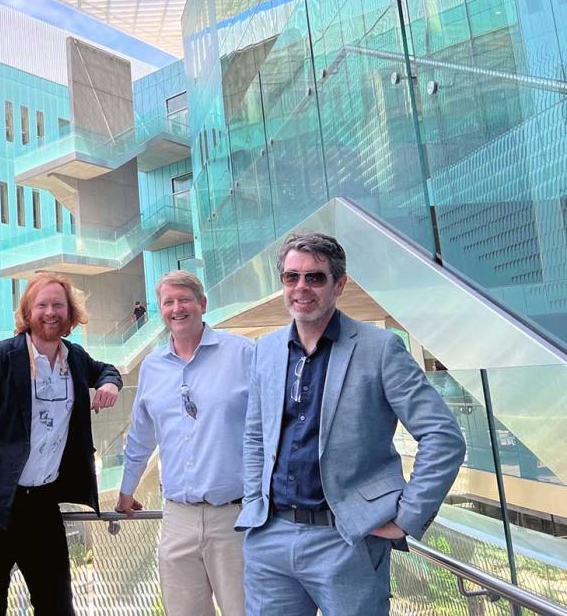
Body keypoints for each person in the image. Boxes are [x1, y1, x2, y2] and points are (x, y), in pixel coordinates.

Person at [236, 232, 466, 615]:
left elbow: (443, 437)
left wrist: (407, 517)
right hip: (269, 540)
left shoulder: (380, 348)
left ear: (338, 284)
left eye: (315, 277)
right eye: (291, 277)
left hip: (347, 541)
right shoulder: (266, 350)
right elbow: (256, 437)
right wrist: (252, 502)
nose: (301, 287)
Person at [0, 272, 123, 615]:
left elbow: (107, 369)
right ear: (28, 313)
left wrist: (110, 384)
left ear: (70, 313)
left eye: (58, 305)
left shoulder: (74, 358)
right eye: (41, 305)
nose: (50, 312)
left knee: (57, 606)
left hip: (43, 506)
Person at [116, 271, 253, 616]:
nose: (177, 308)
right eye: (168, 302)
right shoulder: (152, 367)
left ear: (202, 304)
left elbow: (271, 428)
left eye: (184, 300)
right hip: (177, 518)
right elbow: (141, 433)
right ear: (161, 310)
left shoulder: (242, 353)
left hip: (235, 518)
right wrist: (127, 488)